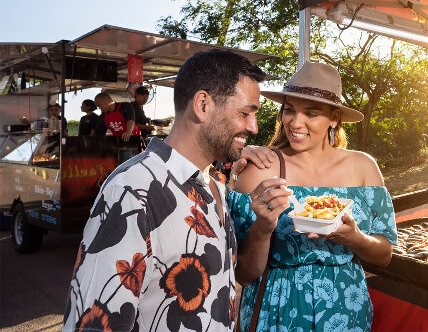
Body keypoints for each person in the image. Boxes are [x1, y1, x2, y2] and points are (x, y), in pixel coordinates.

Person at [63, 49, 281, 331]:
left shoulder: (213, 183)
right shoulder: (130, 190)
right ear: (202, 105)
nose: (253, 127)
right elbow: (91, 324)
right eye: (245, 113)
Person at [230, 62, 398, 331]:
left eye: (311, 113)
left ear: (334, 118)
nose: (296, 123)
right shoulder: (260, 170)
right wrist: (262, 228)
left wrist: (355, 238)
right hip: (278, 309)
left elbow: (384, 254)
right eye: (289, 110)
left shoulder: (364, 167)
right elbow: (244, 274)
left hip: (346, 309)